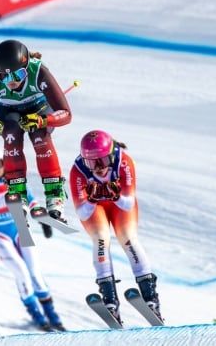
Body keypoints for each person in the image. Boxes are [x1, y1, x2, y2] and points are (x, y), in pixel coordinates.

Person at [0, 39, 72, 222]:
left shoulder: (39, 72)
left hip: (39, 108)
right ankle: (17, 191)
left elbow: (66, 115)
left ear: (26, 67)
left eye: (18, 74)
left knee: (39, 135)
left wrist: (43, 120)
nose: (12, 81)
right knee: (11, 132)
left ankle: (54, 193)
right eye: (5, 76)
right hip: (7, 112)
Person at [69, 130, 163, 324]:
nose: (97, 168)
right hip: (95, 208)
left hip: (120, 205)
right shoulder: (77, 170)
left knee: (128, 238)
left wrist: (115, 195)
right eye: (91, 163)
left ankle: (150, 296)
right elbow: (82, 213)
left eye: (102, 162)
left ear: (112, 155)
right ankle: (109, 298)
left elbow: (128, 203)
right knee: (101, 239)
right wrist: (93, 199)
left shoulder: (124, 162)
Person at [0, 147, 64, 331]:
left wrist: (42, 220)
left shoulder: (14, 181)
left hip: (21, 230)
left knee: (35, 274)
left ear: (4, 162)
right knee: (22, 273)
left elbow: (32, 200)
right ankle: (37, 315)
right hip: (0, 236)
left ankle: (53, 317)